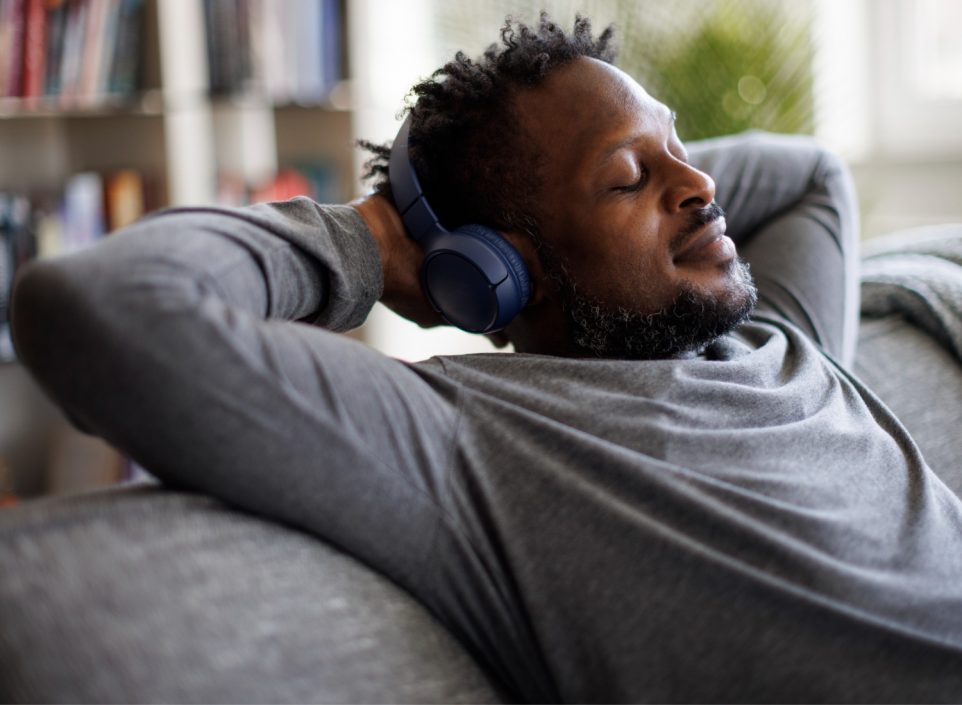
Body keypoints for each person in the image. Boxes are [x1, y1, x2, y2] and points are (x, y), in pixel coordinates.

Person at [11, 13, 962, 702]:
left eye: (679, 146)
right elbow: (96, 307)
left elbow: (807, 175)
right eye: (631, 177)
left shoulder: (777, 334)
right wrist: (368, 241)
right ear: (503, 274)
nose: (704, 184)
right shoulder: (470, 443)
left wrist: (642, 156)